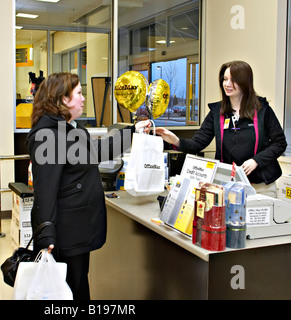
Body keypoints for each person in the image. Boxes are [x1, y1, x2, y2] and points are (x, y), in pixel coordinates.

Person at [27, 72, 151, 299]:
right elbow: (45, 191)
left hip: (77, 229)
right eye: (79, 93)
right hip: (64, 233)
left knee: (78, 283)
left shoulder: (72, 130)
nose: (84, 99)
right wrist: (46, 234)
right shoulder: (48, 136)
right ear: (63, 99)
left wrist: (134, 131)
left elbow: (98, 152)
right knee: (70, 289)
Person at [155, 60, 287, 197]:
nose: (227, 84)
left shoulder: (262, 109)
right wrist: (176, 141)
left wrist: (256, 161)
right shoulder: (217, 112)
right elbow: (197, 143)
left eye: (233, 80)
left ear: (244, 82)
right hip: (229, 187)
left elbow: (280, 143)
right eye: (225, 79)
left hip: (261, 187)